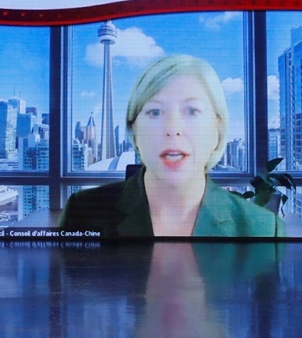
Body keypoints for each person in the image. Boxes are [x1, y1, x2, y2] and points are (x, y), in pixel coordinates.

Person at [61, 54, 286, 237]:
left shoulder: (262, 228)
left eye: (192, 111)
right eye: (155, 112)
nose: (173, 128)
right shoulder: (82, 212)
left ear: (217, 129)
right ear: (134, 130)